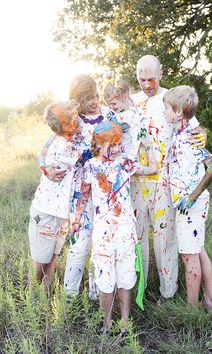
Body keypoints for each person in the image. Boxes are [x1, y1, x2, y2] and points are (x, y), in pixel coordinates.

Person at [38, 74, 128, 298]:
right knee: (79, 243)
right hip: (79, 191)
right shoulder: (73, 119)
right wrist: (45, 169)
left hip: (105, 192)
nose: (95, 100)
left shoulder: (108, 115)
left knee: (101, 243)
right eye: (90, 98)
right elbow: (44, 149)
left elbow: (122, 141)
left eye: (96, 95)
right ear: (78, 100)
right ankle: (70, 296)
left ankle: (96, 295)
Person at [132, 54, 207, 299]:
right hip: (137, 181)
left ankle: (168, 292)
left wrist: (203, 135)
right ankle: (137, 288)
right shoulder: (131, 102)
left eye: (151, 78)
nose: (146, 84)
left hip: (165, 181)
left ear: (161, 74)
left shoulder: (171, 98)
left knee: (165, 238)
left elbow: (195, 130)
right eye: (141, 79)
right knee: (138, 236)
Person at [71, 121, 158, 333]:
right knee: (104, 275)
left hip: (126, 229)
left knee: (126, 273)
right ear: (99, 143)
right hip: (103, 232)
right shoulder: (90, 166)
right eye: (113, 143)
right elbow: (83, 197)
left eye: (119, 143)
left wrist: (147, 145)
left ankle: (125, 321)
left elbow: (153, 169)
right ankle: (107, 321)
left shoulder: (125, 163)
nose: (118, 148)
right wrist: (75, 220)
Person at [163, 85, 212, 311]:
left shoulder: (189, 137)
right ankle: (209, 301)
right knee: (199, 251)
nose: (165, 112)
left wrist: (191, 197)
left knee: (189, 258)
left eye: (167, 108)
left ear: (178, 112)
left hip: (190, 207)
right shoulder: (183, 131)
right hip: (192, 205)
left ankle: (191, 309)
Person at [28, 100, 83, 293]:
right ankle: (33, 295)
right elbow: (84, 155)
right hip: (45, 212)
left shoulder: (62, 139)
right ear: (66, 125)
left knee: (51, 258)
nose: (80, 119)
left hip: (59, 213)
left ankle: (45, 296)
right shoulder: (63, 148)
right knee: (42, 261)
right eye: (75, 116)